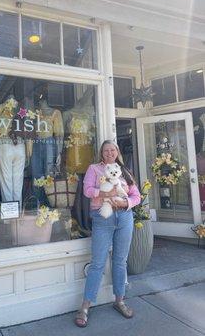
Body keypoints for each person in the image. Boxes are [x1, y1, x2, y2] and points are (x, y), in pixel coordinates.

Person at [74, 140, 141, 327]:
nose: (109, 153)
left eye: (112, 150)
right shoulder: (94, 169)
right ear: (101, 153)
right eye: (106, 150)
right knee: (97, 262)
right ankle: (85, 306)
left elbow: (136, 196)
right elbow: (87, 190)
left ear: (117, 152)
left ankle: (119, 300)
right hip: (103, 218)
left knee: (120, 261)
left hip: (125, 218)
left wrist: (124, 203)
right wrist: (106, 195)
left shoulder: (125, 171)